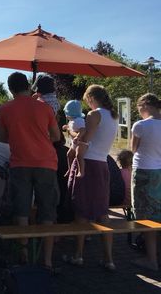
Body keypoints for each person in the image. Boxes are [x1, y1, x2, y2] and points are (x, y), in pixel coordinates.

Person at [0, 72, 60, 271]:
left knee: (22, 209)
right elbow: (56, 136)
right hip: (46, 162)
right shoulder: (45, 107)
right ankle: (47, 260)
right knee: (47, 211)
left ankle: (24, 253)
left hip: (20, 163)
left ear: (10, 89)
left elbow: (1, 138)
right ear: (28, 86)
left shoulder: (5, 109)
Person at [66, 85, 118, 271]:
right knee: (103, 214)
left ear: (90, 98)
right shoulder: (113, 116)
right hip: (103, 164)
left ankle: (78, 255)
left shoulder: (94, 115)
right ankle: (109, 258)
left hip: (88, 163)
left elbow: (85, 140)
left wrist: (75, 140)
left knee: (81, 212)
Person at [130, 93, 161, 271]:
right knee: (159, 214)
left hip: (143, 172)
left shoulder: (140, 125)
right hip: (159, 172)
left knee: (147, 218)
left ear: (144, 106)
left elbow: (134, 148)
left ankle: (151, 260)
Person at [63, 100, 87, 178]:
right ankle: (70, 169)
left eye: (67, 114)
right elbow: (71, 128)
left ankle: (81, 171)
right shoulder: (72, 121)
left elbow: (83, 130)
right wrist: (66, 127)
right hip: (75, 143)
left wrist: (77, 137)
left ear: (71, 113)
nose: (66, 116)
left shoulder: (79, 120)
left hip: (81, 142)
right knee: (69, 154)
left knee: (79, 155)